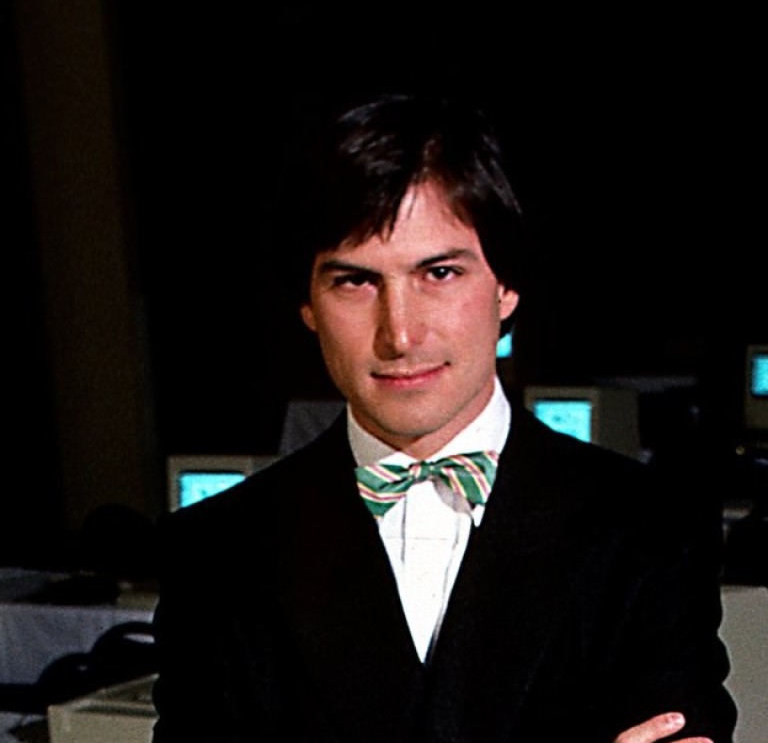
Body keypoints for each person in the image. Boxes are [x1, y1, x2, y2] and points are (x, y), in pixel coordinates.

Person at [150, 93, 736, 742]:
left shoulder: (649, 528)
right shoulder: (214, 554)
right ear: (307, 305)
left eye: (439, 272)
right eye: (355, 282)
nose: (400, 333)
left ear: (506, 286)